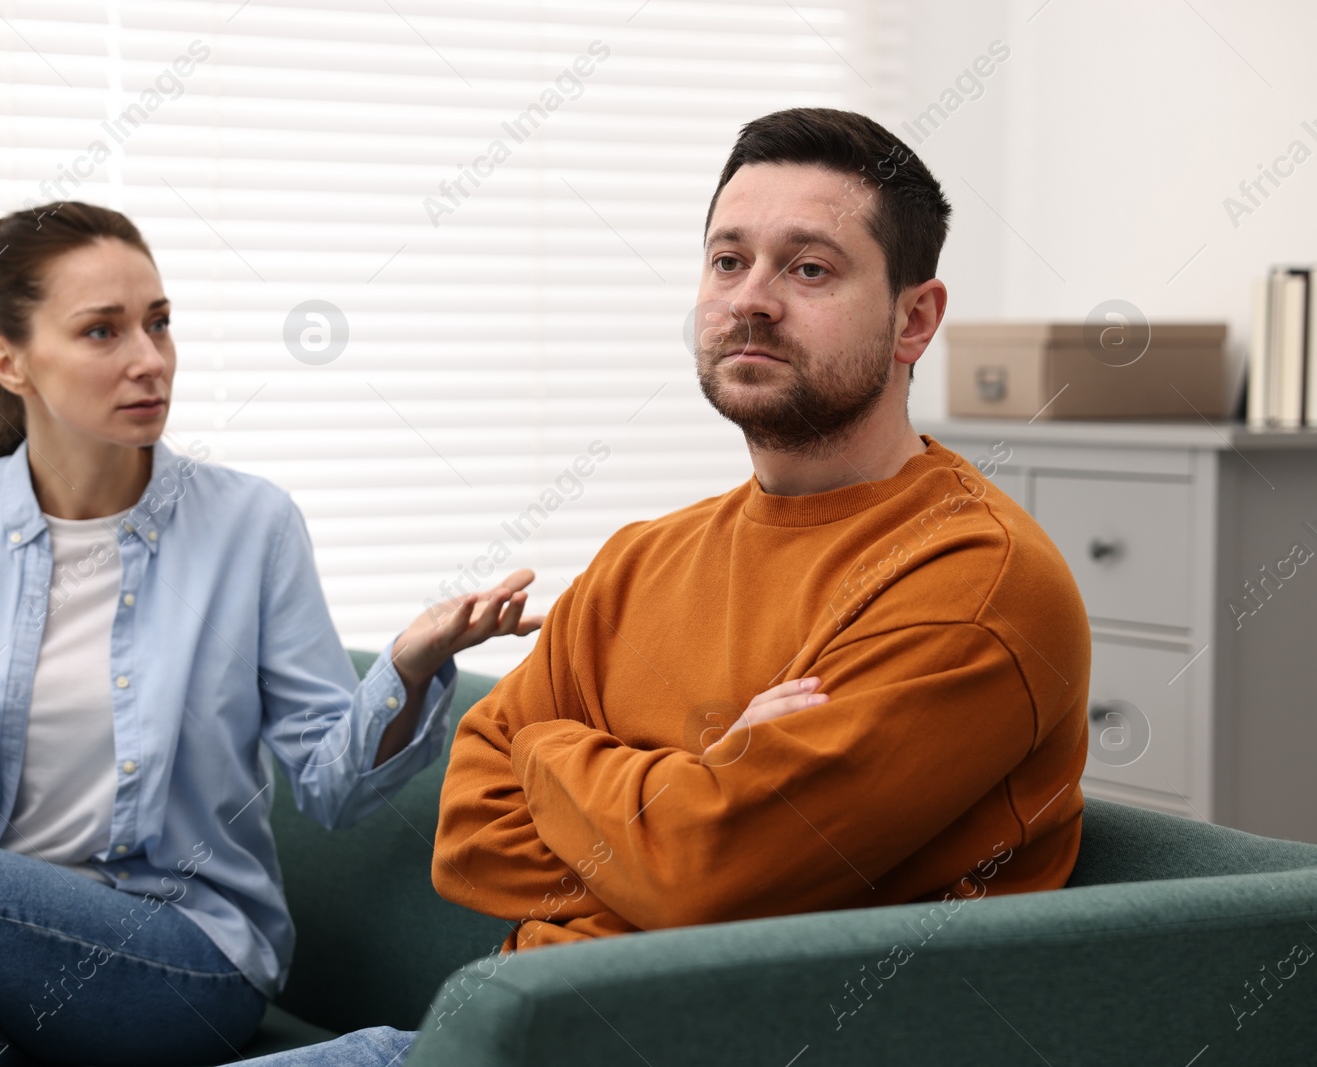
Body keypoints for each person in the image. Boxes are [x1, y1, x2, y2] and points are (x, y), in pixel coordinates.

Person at [231, 106, 1091, 1065]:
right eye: (729, 262)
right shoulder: (643, 557)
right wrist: (685, 798)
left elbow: (706, 872)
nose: (752, 300)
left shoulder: (973, 582)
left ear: (914, 319)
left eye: (809, 269)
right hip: (491, 1038)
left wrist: (550, 752)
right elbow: (469, 829)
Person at [0, 201, 540, 1067]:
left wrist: (407, 671)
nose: (150, 360)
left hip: (181, 957)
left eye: (159, 323)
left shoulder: (249, 524)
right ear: (9, 361)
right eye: (103, 332)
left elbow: (332, 788)